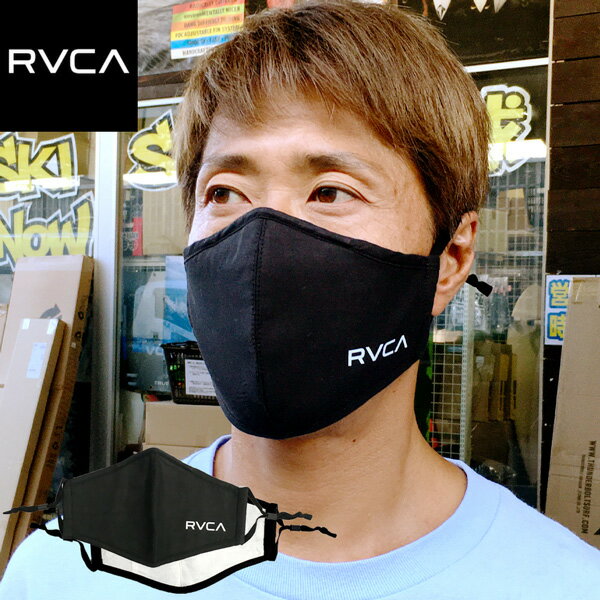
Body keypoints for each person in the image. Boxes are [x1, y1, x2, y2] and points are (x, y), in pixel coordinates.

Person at [1, 1, 598, 598]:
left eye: (331, 191)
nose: (263, 241)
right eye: (225, 193)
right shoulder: (62, 574)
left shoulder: (561, 585)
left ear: (451, 259)